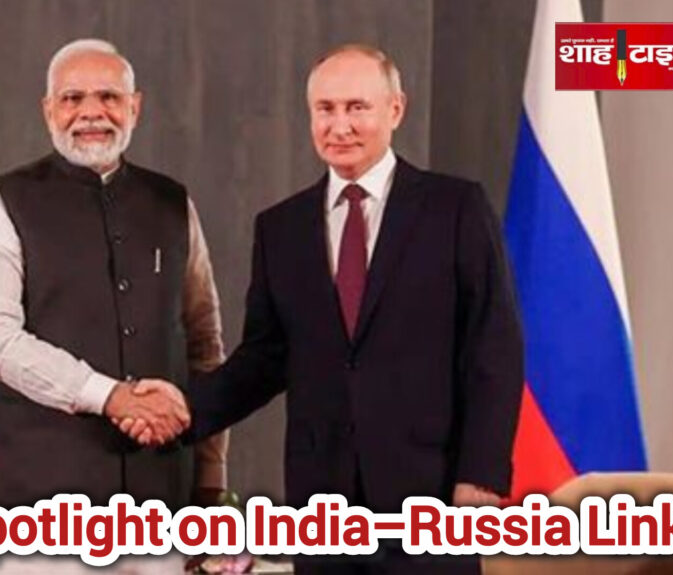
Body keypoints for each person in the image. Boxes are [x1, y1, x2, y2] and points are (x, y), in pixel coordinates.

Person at [125, 44, 524, 574]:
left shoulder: (455, 209)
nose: (340, 125)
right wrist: (184, 411)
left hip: (432, 497)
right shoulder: (281, 228)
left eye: (357, 107)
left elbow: (493, 346)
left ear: (395, 110)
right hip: (323, 506)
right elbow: (265, 357)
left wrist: (482, 473)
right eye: (325, 109)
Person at [0, 38, 225, 573]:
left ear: (135, 107)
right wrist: (110, 397)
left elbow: (204, 346)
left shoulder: (172, 203)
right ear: (48, 110)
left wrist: (211, 485)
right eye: (72, 97)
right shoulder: (2, 201)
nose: (90, 113)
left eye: (108, 96)